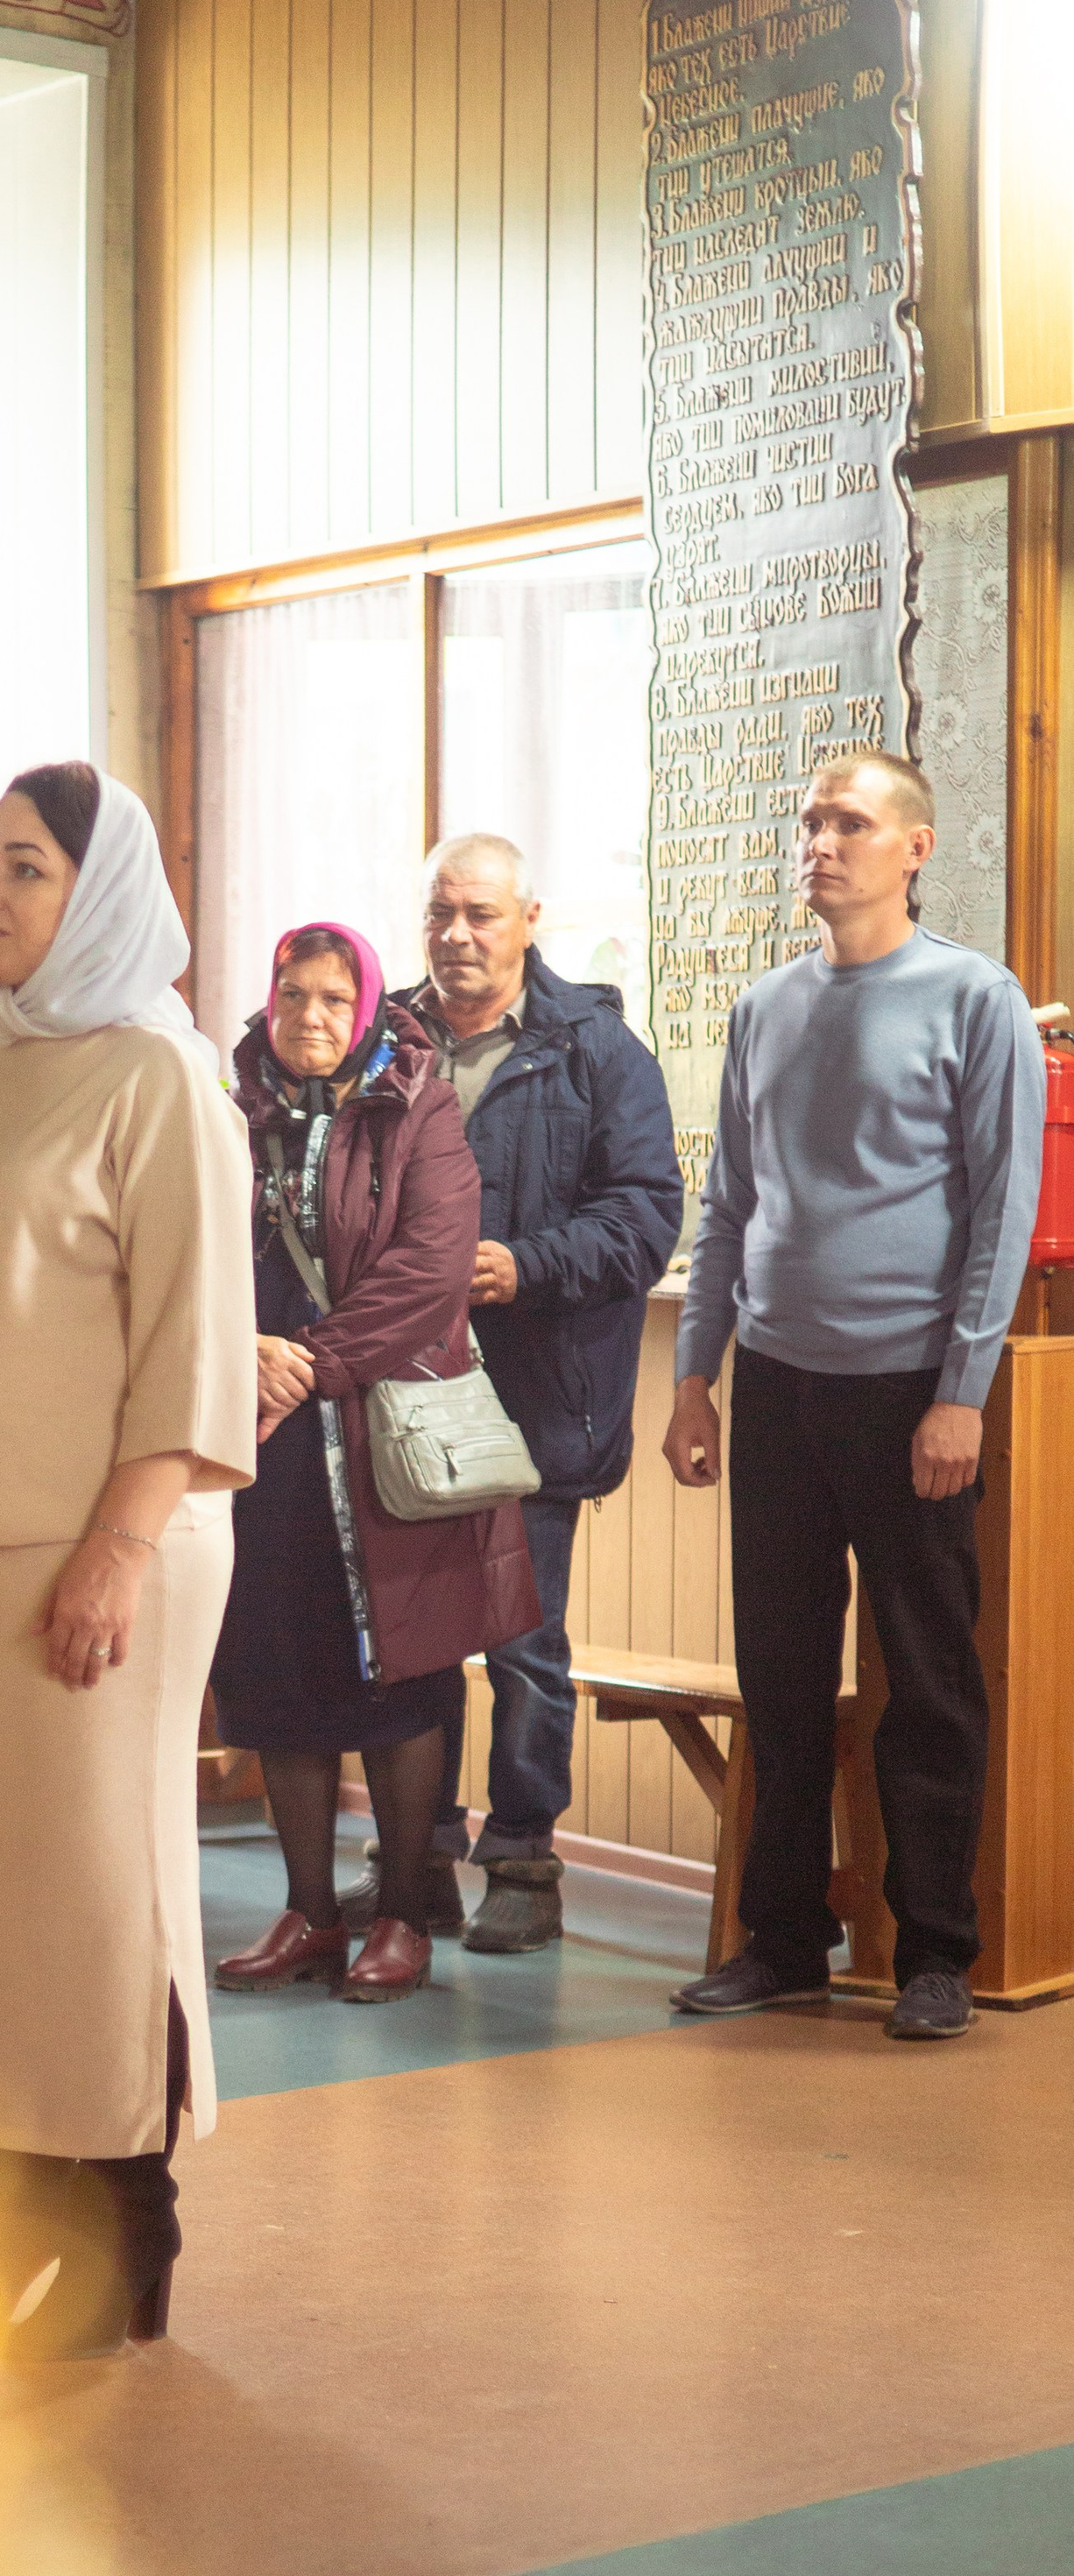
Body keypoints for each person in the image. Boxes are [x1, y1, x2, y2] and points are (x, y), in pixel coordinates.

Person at [0, 761, 255, 2361]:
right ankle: (12, 2213)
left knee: (100, 1903)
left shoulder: (161, 1078)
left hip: (104, 1553)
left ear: (101, 892)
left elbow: (196, 1342)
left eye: (27, 868)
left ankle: (120, 2228)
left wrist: (119, 1546)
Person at [665, 750, 1045, 2043]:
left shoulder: (975, 1000)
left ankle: (936, 1950)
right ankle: (783, 1940)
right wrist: (694, 1378)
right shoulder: (765, 1006)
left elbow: (1001, 1212)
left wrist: (962, 1391)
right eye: (810, 822)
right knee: (778, 1676)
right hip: (776, 1385)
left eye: (849, 824)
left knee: (927, 1680)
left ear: (915, 849)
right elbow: (728, 1209)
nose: (819, 843)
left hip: (909, 1393)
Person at [212, 925, 541, 2004]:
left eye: (329, 999)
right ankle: (309, 1913)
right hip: (265, 1445)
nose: (307, 1018)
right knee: (279, 1672)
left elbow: (428, 1271)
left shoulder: (418, 1107)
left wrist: (308, 1363)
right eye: (290, 996)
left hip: (386, 1439)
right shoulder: (229, 1109)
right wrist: (239, 1354)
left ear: (361, 1011)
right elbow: (190, 1254)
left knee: (402, 1675)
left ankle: (400, 1913)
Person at [387, 835, 683, 1951]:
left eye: (481, 914)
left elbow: (646, 1218)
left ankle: (522, 1860)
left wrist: (525, 1266)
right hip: (403, 1402)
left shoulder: (596, 1052)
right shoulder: (388, 1042)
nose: (457, 935)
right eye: (440, 914)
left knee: (522, 1642)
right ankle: (413, 1860)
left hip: (538, 1399)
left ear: (529, 919)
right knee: (409, 1641)